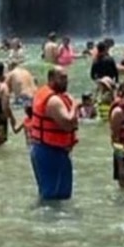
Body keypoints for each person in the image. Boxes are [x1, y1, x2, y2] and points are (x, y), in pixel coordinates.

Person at [26, 67, 78, 201]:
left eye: (66, 78)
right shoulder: (53, 101)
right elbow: (67, 124)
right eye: (61, 78)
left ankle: (61, 221)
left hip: (55, 150)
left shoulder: (47, 93)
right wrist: (75, 105)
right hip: (48, 151)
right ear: (51, 79)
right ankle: (47, 221)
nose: (65, 81)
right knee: (50, 195)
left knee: (63, 195)